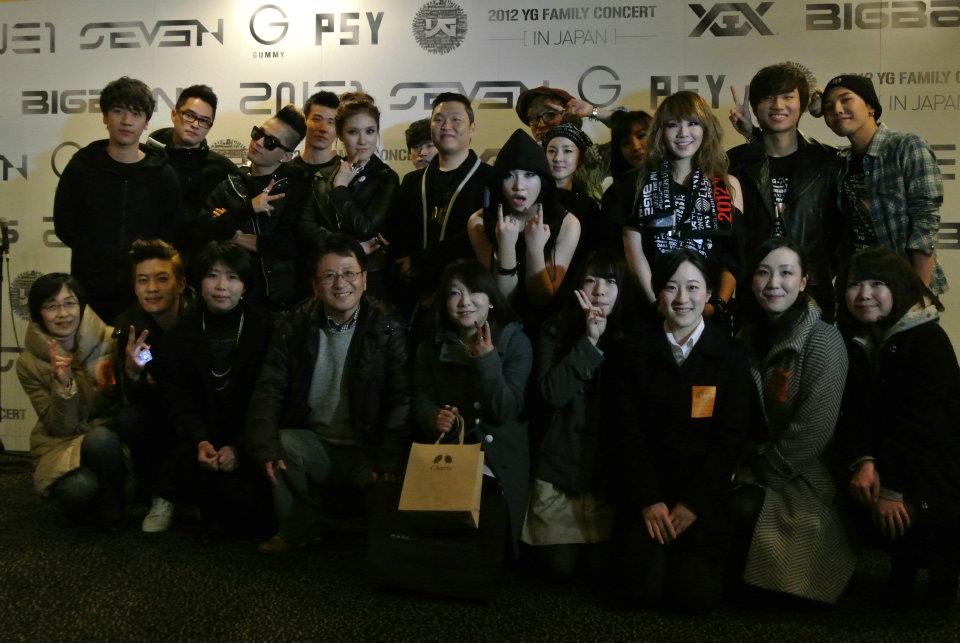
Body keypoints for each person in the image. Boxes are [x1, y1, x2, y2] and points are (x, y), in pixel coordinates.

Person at [246, 234, 411, 554]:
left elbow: (401, 399)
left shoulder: (388, 326)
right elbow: (269, 387)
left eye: (349, 273)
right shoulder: (294, 324)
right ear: (315, 285)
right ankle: (298, 530)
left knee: (384, 537)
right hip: (316, 442)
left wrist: (389, 459)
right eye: (329, 275)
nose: (340, 284)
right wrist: (265, 446)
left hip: (367, 447)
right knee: (280, 445)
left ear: (365, 279)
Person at [612, 250, 753, 613]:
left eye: (693, 287)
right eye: (671, 287)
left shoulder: (731, 355)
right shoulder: (632, 351)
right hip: (648, 494)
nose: (682, 299)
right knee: (639, 593)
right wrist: (648, 499)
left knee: (694, 598)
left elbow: (732, 438)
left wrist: (693, 503)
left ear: (709, 293)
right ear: (658, 292)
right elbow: (626, 432)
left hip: (701, 496)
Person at [731, 237, 855, 604]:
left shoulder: (823, 340)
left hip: (803, 472)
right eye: (763, 272)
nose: (773, 284)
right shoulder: (746, 334)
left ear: (803, 282)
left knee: (743, 507)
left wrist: (758, 472)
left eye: (786, 273)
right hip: (753, 461)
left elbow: (813, 431)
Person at [835, 246, 960, 608]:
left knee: (920, 507)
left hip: (933, 468)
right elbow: (856, 414)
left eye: (877, 284)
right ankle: (902, 566)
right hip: (887, 457)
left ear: (899, 287)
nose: (864, 294)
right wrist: (864, 461)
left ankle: (942, 574)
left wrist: (893, 487)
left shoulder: (927, 340)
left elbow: (926, 427)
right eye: (855, 285)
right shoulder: (856, 341)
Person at [153, 242, 274, 539]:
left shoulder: (266, 329)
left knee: (245, 512)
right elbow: (177, 397)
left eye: (232, 277)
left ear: (244, 285)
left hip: (249, 438)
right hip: (199, 439)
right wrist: (200, 440)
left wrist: (239, 448)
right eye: (213, 275)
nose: (222, 286)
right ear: (199, 281)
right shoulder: (183, 332)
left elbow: (269, 399)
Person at [522, 250, 630, 580]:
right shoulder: (556, 329)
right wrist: (590, 341)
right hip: (559, 467)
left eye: (610, 282)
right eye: (591, 280)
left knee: (602, 571)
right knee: (560, 569)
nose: (599, 291)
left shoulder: (633, 335)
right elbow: (551, 395)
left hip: (605, 475)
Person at [414, 259, 533, 558]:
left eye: (474, 292)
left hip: (498, 453)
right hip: (452, 450)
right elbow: (421, 399)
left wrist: (487, 360)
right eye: (455, 293)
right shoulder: (431, 345)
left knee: (483, 527)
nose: (465, 302)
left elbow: (505, 410)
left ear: (490, 299)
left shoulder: (515, 341)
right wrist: (433, 417)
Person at [53, 76, 182, 322]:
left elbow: (171, 233)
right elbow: (64, 226)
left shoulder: (163, 174)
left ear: (146, 122)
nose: (126, 121)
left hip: (145, 293)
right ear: (105, 116)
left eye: (136, 113)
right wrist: (96, 256)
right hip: (90, 290)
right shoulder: (83, 167)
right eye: (118, 111)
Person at [728, 63, 841, 319]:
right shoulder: (733, 163)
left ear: (802, 104)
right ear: (755, 107)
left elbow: (839, 235)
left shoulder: (829, 162)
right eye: (768, 98)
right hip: (752, 298)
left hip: (813, 296)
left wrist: (814, 275)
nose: (778, 105)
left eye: (788, 97)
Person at [622, 91, 744, 324]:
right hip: (653, 313)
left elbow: (733, 255)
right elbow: (633, 252)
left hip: (709, 312)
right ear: (660, 131)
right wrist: (658, 305)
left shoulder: (727, 185)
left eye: (692, 123)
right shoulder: (638, 183)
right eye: (673, 125)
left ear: (706, 128)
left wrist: (716, 305)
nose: (683, 133)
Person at [821, 74, 946, 294]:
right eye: (829, 106)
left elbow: (925, 222)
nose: (837, 110)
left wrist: (919, 292)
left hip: (903, 283)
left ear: (870, 106)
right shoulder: (840, 161)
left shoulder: (906, 146)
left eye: (846, 99)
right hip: (858, 285)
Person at [16, 274, 124, 524]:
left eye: (70, 303)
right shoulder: (27, 363)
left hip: (107, 435)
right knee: (78, 489)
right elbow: (61, 427)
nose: (63, 314)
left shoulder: (110, 340)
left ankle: (115, 502)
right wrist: (63, 383)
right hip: (60, 441)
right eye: (51, 306)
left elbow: (124, 398)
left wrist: (134, 369)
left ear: (81, 306)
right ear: (38, 313)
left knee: (101, 438)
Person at [112, 239, 196, 533]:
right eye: (143, 280)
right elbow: (133, 396)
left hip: (201, 405)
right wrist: (133, 371)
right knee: (132, 419)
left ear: (181, 283)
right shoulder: (130, 326)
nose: (152, 289)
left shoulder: (201, 317)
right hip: (159, 407)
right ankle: (160, 495)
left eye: (162, 279)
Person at [389, 92, 495, 302]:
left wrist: (424, 260)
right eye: (438, 120)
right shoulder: (412, 181)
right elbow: (398, 236)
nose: (446, 126)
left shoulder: (491, 179)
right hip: (414, 296)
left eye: (456, 119)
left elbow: (485, 237)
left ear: (472, 128)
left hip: (469, 297)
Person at [467, 129, 581, 325]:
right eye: (509, 176)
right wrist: (506, 247)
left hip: (549, 324)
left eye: (529, 175)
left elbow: (542, 298)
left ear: (543, 180)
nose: (518, 186)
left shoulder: (567, 223)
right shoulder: (479, 222)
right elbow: (502, 300)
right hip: (499, 323)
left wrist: (535, 248)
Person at [200, 104, 307, 311]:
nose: (258, 142)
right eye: (258, 133)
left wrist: (234, 235)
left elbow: (289, 246)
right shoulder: (230, 184)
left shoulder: (296, 189)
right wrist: (249, 208)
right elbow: (201, 232)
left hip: (278, 303)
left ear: (286, 156)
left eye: (270, 142)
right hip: (231, 301)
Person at [299, 92, 399, 299]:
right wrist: (351, 247)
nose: (363, 141)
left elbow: (366, 227)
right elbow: (305, 226)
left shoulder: (385, 177)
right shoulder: (323, 175)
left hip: (370, 278)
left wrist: (340, 189)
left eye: (370, 131)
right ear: (340, 134)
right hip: (326, 277)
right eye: (353, 132)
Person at [146, 84, 238, 226]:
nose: (195, 124)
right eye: (189, 115)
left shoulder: (223, 169)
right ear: (174, 114)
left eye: (204, 120)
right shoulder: (147, 159)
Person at [543, 124, 614, 259]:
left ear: (580, 158)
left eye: (567, 151)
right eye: (551, 151)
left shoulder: (588, 207)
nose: (558, 158)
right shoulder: (534, 199)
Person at [288, 91, 341, 180]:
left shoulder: (345, 171)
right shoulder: (286, 171)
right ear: (304, 121)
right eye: (317, 119)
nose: (323, 128)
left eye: (330, 122)